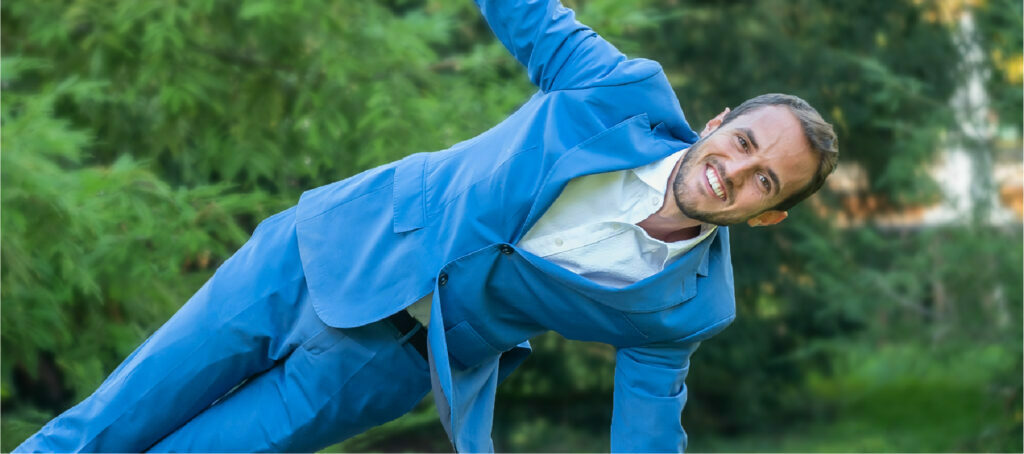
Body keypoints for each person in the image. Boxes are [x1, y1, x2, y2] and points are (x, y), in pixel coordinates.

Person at [16, 0, 838, 452]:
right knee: (99, 430)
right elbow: (524, 11)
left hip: (381, 365)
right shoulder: (621, 91)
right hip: (318, 254)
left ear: (767, 214)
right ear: (717, 123)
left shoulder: (689, 305)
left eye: (763, 180)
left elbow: (650, 430)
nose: (734, 170)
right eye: (743, 143)